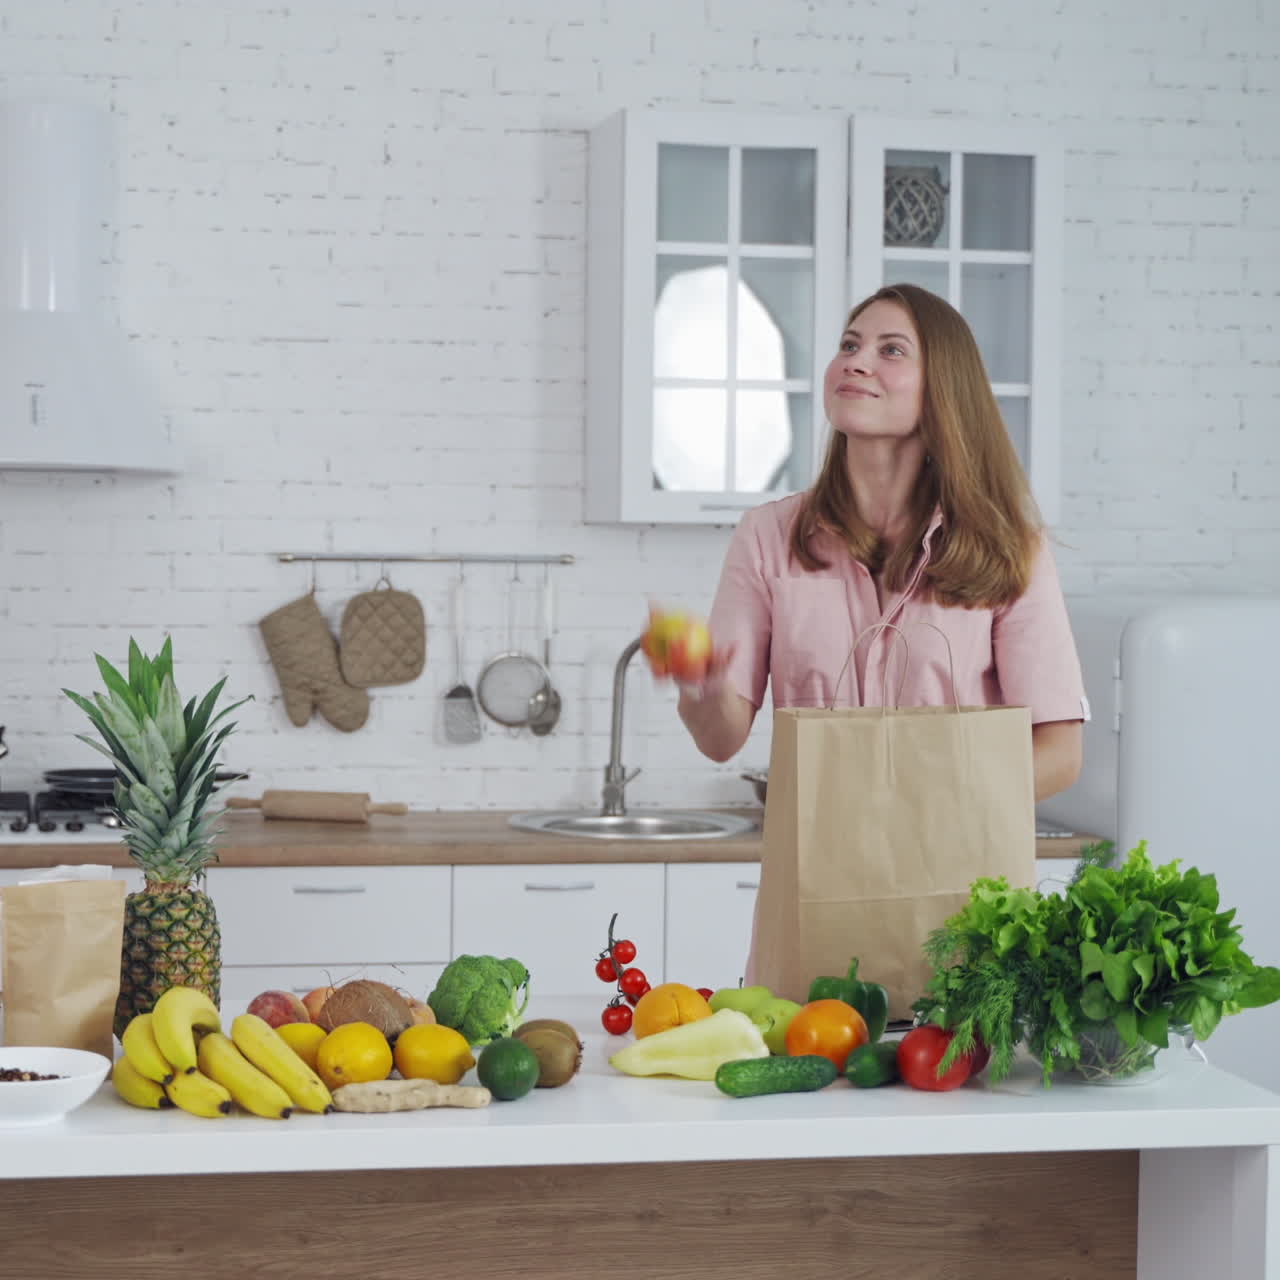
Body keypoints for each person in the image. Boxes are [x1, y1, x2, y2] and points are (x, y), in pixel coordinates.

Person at [676, 282, 1086, 803]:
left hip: (962, 871)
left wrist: (928, 804)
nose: (856, 361)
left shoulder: (1009, 547)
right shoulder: (767, 537)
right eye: (849, 345)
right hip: (818, 874)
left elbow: (1060, 752)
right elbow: (719, 740)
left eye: (890, 350)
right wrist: (701, 683)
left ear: (943, 387)